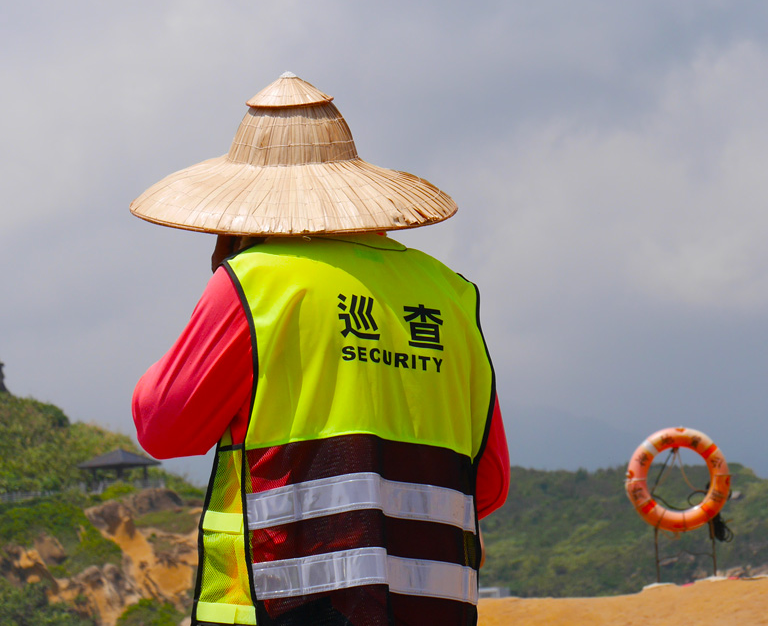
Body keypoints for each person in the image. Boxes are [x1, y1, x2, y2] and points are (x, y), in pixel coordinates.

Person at [130, 73, 508, 626]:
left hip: (290, 607)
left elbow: (164, 427)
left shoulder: (253, 285)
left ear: (239, 217)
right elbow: (489, 483)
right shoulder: (450, 295)